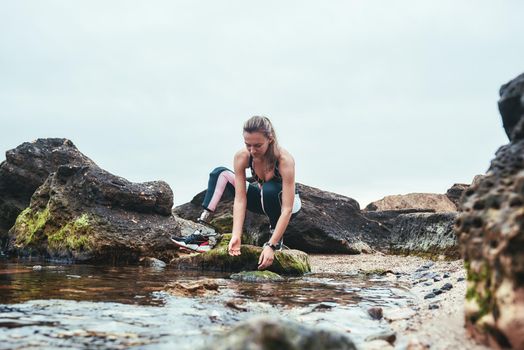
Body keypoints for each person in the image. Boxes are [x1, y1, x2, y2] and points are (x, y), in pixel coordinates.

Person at [171, 116, 301, 269]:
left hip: (287, 206)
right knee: (220, 173)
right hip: (261, 200)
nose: (252, 150)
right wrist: (236, 235)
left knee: (269, 189)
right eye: (248, 145)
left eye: (258, 145)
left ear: (270, 139)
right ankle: (202, 235)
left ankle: (275, 239)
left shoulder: (285, 160)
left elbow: (287, 209)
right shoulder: (243, 157)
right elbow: (240, 199)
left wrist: (270, 246)